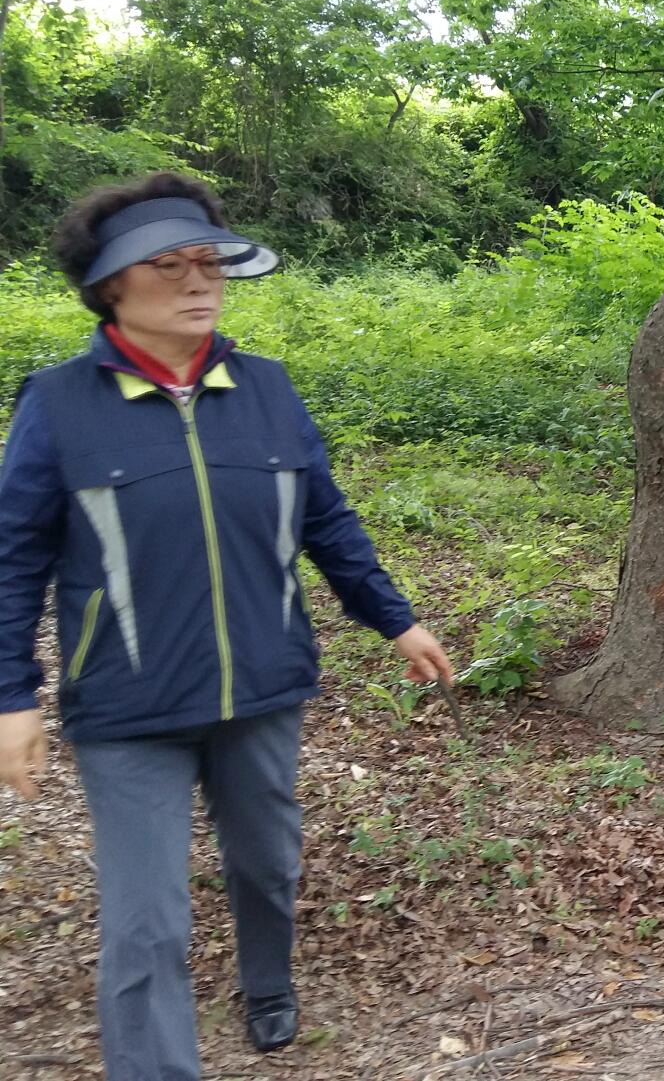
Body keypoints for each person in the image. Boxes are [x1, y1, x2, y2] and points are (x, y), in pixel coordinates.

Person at [0, 173, 455, 1081]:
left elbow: (326, 519)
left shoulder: (266, 388)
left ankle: (267, 982)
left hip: (262, 684)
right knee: (145, 920)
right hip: (128, 706)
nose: (198, 281)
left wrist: (393, 619)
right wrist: (13, 695)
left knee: (266, 863)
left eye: (207, 262)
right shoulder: (60, 405)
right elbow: (14, 558)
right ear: (110, 285)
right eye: (167, 265)